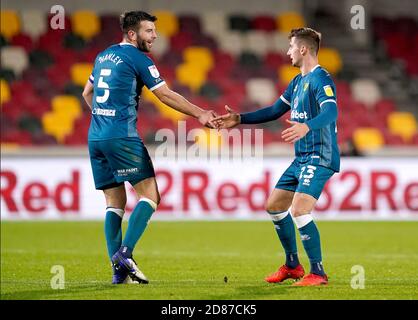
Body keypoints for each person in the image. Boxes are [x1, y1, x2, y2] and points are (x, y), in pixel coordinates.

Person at [82, 11, 218, 284]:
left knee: (114, 202)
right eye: (149, 31)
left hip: (96, 137)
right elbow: (165, 94)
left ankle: (119, 274)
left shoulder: (103, 56)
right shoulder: (138, 59)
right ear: (132, 34)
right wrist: (200, 113)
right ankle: (126, 254)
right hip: (122, 136)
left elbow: (87, 93)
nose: (154, 36)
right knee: (151, 195)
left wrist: (102, 119)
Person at [215, 27, 340, 286]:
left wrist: (307, 126)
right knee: (274, 205)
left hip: (320, 156)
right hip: (301, 157)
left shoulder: (321, 79)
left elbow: (331, 112)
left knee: (300, 209)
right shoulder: (297, 82)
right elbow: (273, 111)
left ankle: (318, 272)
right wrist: (239, 119)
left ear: (303, 49)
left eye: (291, 47)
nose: (288, 52)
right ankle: (293, 265)